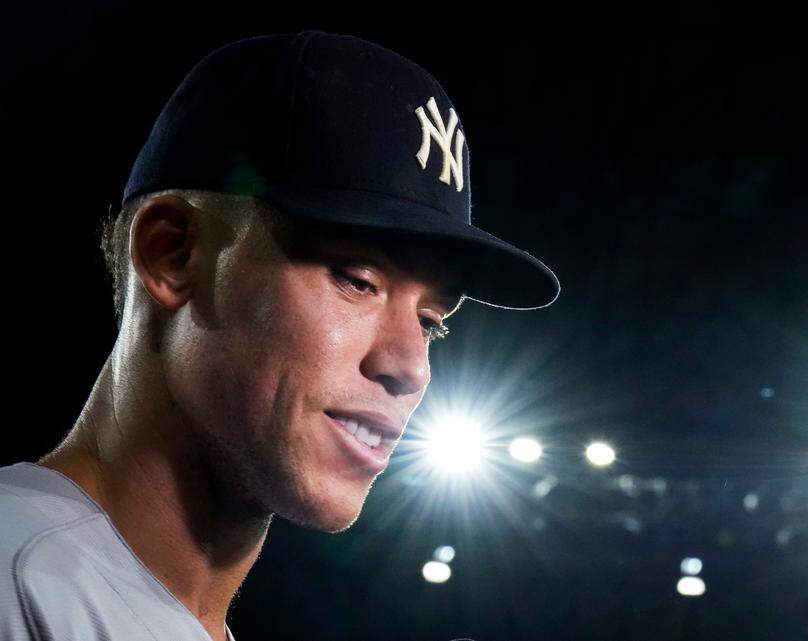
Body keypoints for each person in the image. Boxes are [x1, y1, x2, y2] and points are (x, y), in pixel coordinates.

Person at [0, 30, 558, 641]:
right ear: (173, 255)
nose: (411, 367)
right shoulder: (17, 577)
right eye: (357, 281)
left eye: (431, 323)